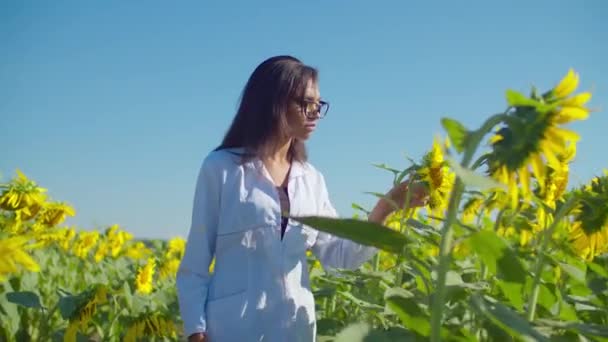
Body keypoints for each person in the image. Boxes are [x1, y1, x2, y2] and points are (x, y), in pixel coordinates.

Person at [176, 55, 428, 342]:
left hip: (295, 331)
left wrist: (384, 208)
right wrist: (196, 331)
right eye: (306, 103)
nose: (315, 113)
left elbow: (340, 256)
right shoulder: (221, 168)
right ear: (274, 102)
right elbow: (195, 264)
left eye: (319, 104)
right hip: (233, 330)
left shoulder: (311, 179)